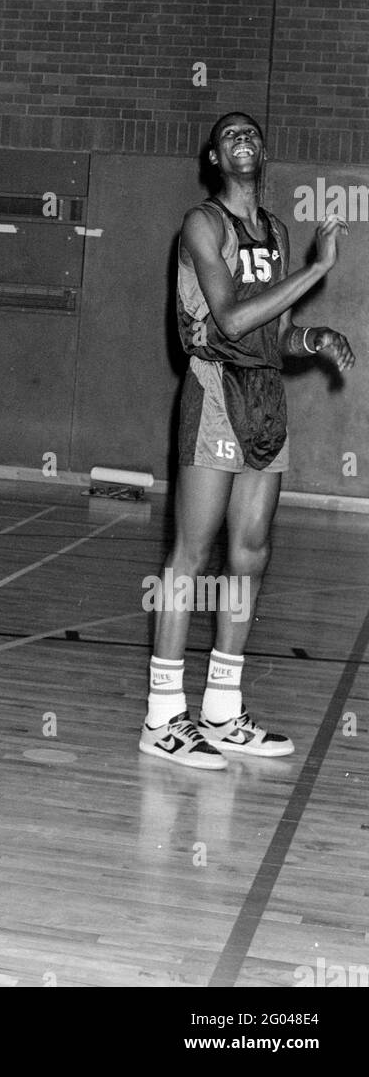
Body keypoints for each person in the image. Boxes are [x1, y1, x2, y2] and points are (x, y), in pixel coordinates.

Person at [140, 111, 356, 770]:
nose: (244, 139)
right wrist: (317, 270)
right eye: (229, 133)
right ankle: (162, 718)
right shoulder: (203, 224)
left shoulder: (276, 231)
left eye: (253, 133)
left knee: (251, 551)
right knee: (193, 553)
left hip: (265, 396)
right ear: (212, 157)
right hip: (215, 391)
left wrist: (314, 339)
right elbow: (231, 318)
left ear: (264, 154)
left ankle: (222, 712)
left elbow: (274, 333)